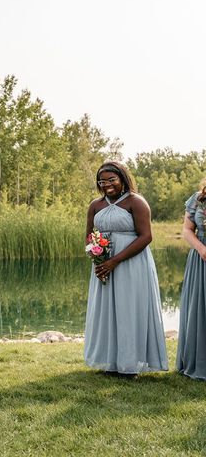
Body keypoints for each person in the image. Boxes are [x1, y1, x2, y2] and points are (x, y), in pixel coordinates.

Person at [84, 161, 168, 375]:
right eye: (102, 181)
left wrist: (116, 260)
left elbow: (146, 236)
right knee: (107, 312)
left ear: (122, 179)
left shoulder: (136, 202)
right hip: (103, 264)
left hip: (131, 263)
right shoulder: (95, 205)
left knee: (129, 310)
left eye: (112, 180)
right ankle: (111, 363)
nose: (107, 185)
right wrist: (97, 255)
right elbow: (88, 235)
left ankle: (130, 365)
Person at [176, 179, 206, 380]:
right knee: (199, 309)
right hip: (201, 259)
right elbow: (187, 230)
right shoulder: (198, 198)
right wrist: (201, 248)